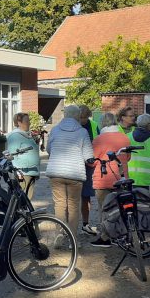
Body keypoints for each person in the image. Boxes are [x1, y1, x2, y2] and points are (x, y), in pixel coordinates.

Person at [46, 104, 94, 241]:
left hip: (56, 172)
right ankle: (73, 238)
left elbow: (49, 149)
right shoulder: (82, 132)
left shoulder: (55, 130)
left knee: (59, 204)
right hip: (75, 174)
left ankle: (60, 233)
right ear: (77, 116)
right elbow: (88, 156)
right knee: (73, 206)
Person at [88, 112, 130, 248]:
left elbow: (93, 161)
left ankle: (105, 237)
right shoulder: (124, 137)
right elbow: (128, 158)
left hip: (103, 178)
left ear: (102, 123)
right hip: (121, 177)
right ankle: (121, 235)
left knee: (104, 208)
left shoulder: (99, 139)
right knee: (121, 207)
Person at [6, 112, 41, 197]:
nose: (29, 123)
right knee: (20, 199)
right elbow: (11, 156)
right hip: (22, 174)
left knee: (27, 199)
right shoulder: (15, 136)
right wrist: (18, 173)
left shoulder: (26, 135)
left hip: (31, 172)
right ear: (19, 122)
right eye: (27, 121)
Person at [78, 105, 99, 235]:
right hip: (76, 165)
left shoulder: (94, 126)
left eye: (84, 117)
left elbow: (99, 142)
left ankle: (85, 224)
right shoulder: (74, 126)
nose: (82, 120)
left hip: (90, 165)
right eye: (80, 117)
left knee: (86, 196)